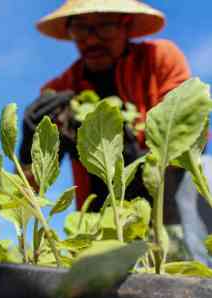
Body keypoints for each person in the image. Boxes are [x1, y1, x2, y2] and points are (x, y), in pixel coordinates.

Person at [19, 0, 191, 224]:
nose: (91, 40)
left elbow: (186, 143)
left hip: (166, 207)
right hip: (98, 217)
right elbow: (30, 192)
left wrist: (133, 159)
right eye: (80, 29)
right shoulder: (62, 87)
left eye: (105, 27)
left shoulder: (158, 59)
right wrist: (29, 150)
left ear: (126, 25)